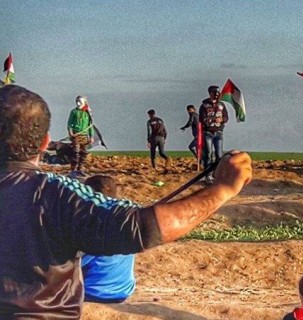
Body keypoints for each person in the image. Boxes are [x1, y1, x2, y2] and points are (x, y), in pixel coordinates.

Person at [0, 85, 252, 318]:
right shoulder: (57, 194)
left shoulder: (57, 193)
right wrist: (222, 190)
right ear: (45, 142)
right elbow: (144, 227)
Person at [81, 175, 136, 303]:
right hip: (125, 290)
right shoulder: (126, 218)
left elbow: (76, 263)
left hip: (95, 293)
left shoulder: (94, 222)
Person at [199, 85, 229, 182]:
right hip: (207, 132)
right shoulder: (204, 105)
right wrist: (212, 119)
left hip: (218, 132)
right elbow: (202, 119)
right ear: (210, 93)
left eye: (218, 92)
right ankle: (208, 174)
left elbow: (226, 117)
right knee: (208, 154)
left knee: (219, 155)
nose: (217, 94)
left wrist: (221, 120)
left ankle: (217, 174)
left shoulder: (221, 105)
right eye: (215, 92)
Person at [67, 95, 94, 176]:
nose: (78, 103)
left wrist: (91, 136)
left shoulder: (88, 112)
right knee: (76, 152)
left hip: (85, 135)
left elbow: (90, 125)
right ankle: (73, 169)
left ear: (84, 102)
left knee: (84, 152)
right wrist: (70, 132)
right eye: (77, 102)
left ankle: (81, 169)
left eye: (80, 102)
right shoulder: (73, 112)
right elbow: (69, 123)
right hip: (76, 135)